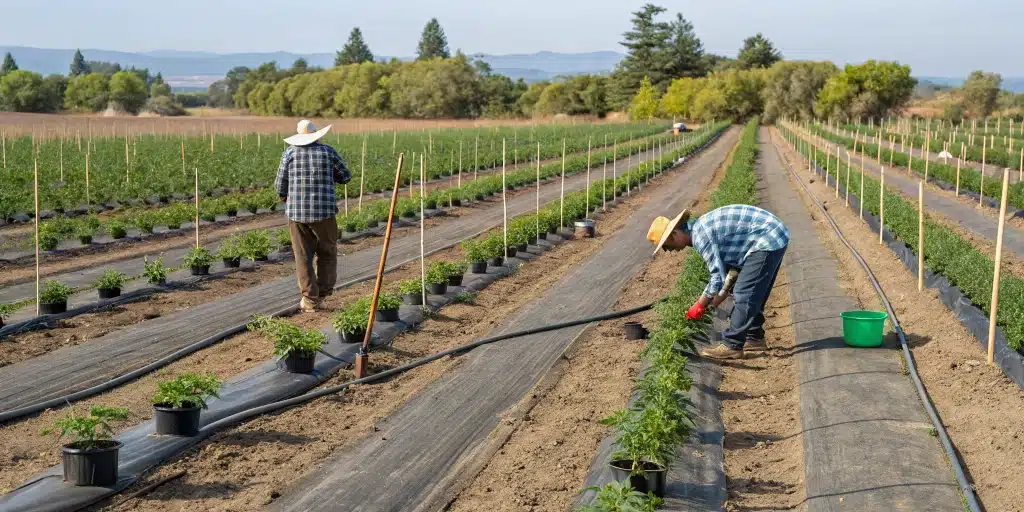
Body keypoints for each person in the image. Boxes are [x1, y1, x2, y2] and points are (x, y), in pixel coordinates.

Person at [647, 205, 789, 359]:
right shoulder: (700, 229)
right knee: (752, 290)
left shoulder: (701, 236)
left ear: (674, 234)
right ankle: (754, 337)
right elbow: (729, 275)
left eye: (667, 246)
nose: (670, 251)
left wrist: (700, 304)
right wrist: (714, 301)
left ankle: (732, 345)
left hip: (768, 237)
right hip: (771, 234)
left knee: (745, 292)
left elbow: (716, 277)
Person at [275, 120, 352, 312]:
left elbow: (279, 185)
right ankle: (324, 291)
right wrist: (331, 175)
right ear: (317, 135)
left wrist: (286, 197)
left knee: (302, 256)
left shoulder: (289, 153)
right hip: (324, 212)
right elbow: (345, 177)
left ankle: (310, 299)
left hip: (297, 214)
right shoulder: (328, 152)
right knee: (327, 252)